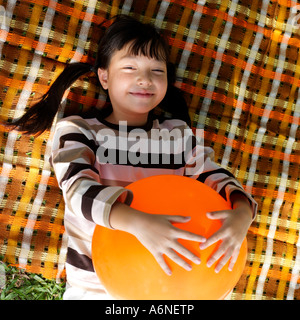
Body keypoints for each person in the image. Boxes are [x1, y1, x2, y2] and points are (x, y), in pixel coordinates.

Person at [7, 15, 257, 299]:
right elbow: (78, 193)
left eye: (157, 71)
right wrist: (139, 223)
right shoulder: (79, 130)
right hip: (98, 286)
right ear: (104, 76)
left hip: (182, 284)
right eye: (129, 67)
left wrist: (241, 213)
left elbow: (214, 177)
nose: (145, 79)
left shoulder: (178, 136)